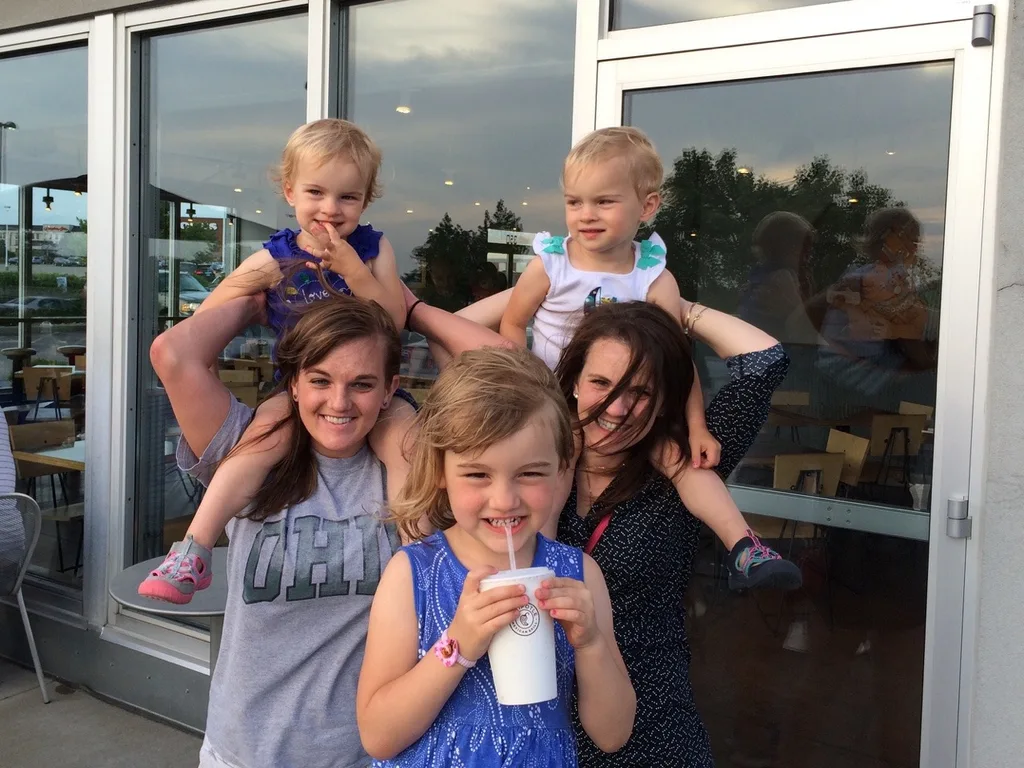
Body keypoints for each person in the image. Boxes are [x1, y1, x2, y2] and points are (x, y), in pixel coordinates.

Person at [407, 292, 790, 767]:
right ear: (572, 383)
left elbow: (765, 363)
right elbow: (454, 350)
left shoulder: (684, 467)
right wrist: (535, 284)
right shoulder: (525, 468)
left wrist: (675, 306)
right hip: (529, 725)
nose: (617, 406)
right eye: (601, 382)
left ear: (666, 399)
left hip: (649, 723)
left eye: (641, 392)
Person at [149, 290, 500, 768]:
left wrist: (415, 311)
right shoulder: (250, 449)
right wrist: (257, 299)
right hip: (241, 753)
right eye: (320, 380)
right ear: (293, 384)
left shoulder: (410, 466)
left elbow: (515, 375)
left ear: (389, 387)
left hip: (368, 755)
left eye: (362, 384)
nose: (339, 402)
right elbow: (173, 353)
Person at [498, 126, 799, 592]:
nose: (586, 215)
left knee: (680, 461)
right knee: (558, 468)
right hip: (555, 403)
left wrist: (696, 427)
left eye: (604, 201)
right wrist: (528, 383)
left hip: (618, 406)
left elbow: (677, 364)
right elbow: (512, 324)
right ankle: (540, 573)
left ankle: (743, 544)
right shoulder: (552, 264)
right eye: (574, 202)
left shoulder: (652, 276)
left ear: (649, 206)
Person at [139, 118, 409, 603]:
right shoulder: (276, 257)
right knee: (257, 445)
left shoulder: (373, 249)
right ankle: (194, 549)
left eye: (347, 197)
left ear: (365, 199)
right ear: (290, 192)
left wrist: (355, 271)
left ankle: (422, 554)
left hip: (373, 387)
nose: (330, 208)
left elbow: (395, 317)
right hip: (296, 388)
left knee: (407, 447)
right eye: (316, 193)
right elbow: (209, 314)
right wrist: (249, 307)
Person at [356, 346, 635, 765]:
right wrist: (458, 644)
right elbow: (377, 736)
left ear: (561, 469)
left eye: (530, 473)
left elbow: (613, 735)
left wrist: (591, 642)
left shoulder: (579, 575)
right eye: (477, 474)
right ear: (440, 472)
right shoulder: (412, 573)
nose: (504, 500)